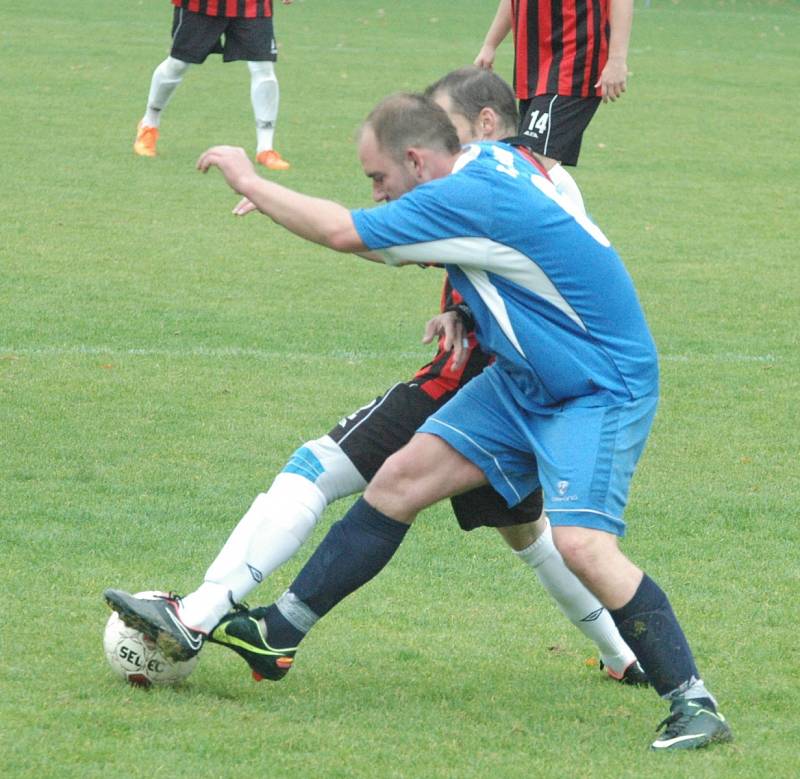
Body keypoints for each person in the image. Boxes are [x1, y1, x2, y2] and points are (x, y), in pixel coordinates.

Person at [109, 88, 732, 750]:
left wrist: (253, 182)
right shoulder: (497, 162)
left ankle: (693, 701)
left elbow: (342, 233)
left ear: (415, 159)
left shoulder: (468, 194)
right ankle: (279, 632)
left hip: (597, 384)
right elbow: (543, 244)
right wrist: (470, 308)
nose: (378, 191)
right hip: (525, 377)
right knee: (400, 477)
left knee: (582, 544)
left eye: (379, 177)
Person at [474, 0, 634, 209]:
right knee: (530, 159)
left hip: (575, 62)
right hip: (533, 66)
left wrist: (617, 59)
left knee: (528, 161)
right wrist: (489, 44)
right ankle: (579, 231)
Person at [133, 0, 294, 170]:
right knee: (178, 63)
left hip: (252, 5)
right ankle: (149, 124)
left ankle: (265, 149)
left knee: (263, 67)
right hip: (201, 4)